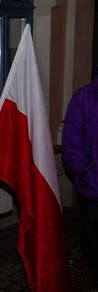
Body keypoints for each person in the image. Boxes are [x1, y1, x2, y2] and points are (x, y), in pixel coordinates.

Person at [62, 72, 98, 280]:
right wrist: (83, 168)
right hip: (92, 184)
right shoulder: (84, 97)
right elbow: (72, 136)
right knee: (92, 234)